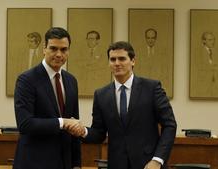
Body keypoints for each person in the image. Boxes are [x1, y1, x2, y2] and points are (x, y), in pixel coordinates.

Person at [68, 41, 177, 169]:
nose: (117, 63)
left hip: (149, 164)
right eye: (112, 59)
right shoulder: (101, 95)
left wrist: (158, 160)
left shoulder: (151, 88)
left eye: (122, 59)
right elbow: (99, 133)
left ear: (133, 61)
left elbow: (169, 124)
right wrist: (82, 131)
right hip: (117, 164)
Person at [13, 27, 81, 169]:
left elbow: (73, 126)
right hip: (34, 163)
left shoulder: (71, 80)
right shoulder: (27, 80)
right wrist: (62, 122)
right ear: (44, 48)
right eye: (53, 48)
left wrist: (76, 164)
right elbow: (25, 124)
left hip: (64, 163)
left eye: (64, 50)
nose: (58, 54)